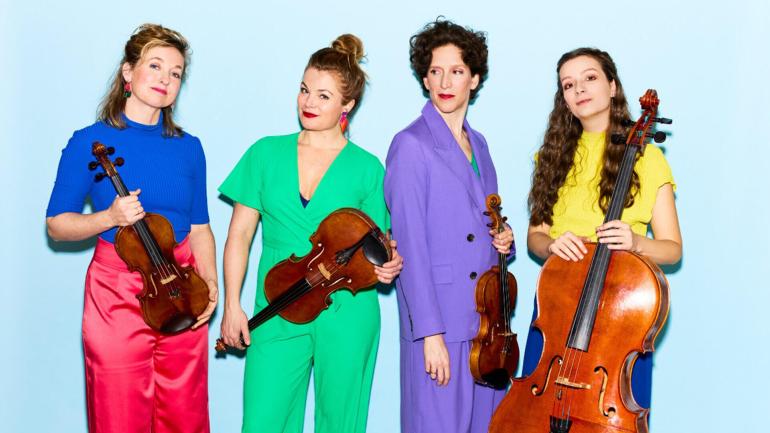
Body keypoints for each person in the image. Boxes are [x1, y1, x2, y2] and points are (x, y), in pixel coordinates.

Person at [218, 34, 403, 433]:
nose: (308, 102)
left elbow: (378, 246)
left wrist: (388, 265)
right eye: (304, 90)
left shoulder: (368, 168)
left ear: (347, 105)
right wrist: (232, 304)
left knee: (341, 423)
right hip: (278, 299)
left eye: (323, 95)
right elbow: (239, 236)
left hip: (347, 307)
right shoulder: (264, 153)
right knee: (263, 421)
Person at [45, 24, 217, 433]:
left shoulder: (189, 147)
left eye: (175, 73)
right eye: (155, 66)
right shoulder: (88, 142)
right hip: (116, 295)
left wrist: (210, 283)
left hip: (181, 289)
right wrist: (109, 218)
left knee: (186, 416)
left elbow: (199, 227)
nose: (165, 79)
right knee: (118, 415)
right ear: (128, 71)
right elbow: (57, 225)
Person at [522, 47, 683, 411]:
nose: (579, 89)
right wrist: (550, 245)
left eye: (590, 78)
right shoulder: (551, 157)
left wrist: (635, 241)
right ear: (564, 99)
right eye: (568, 84)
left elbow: (673, 249)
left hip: (621, 314)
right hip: (557, 306)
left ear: (612, 87)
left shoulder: (649, 158)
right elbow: (535, 237)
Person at [383, 19, 514, 433]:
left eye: (456, 71)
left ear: (474, 79)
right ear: (424, 79)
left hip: (486, 328)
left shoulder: (481, 145)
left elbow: (483, 218)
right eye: (435, 71)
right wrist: (430, 334)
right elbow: (410, 246)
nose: (445, 82)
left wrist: (504, 240)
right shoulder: (410, 144)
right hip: (440, 320)